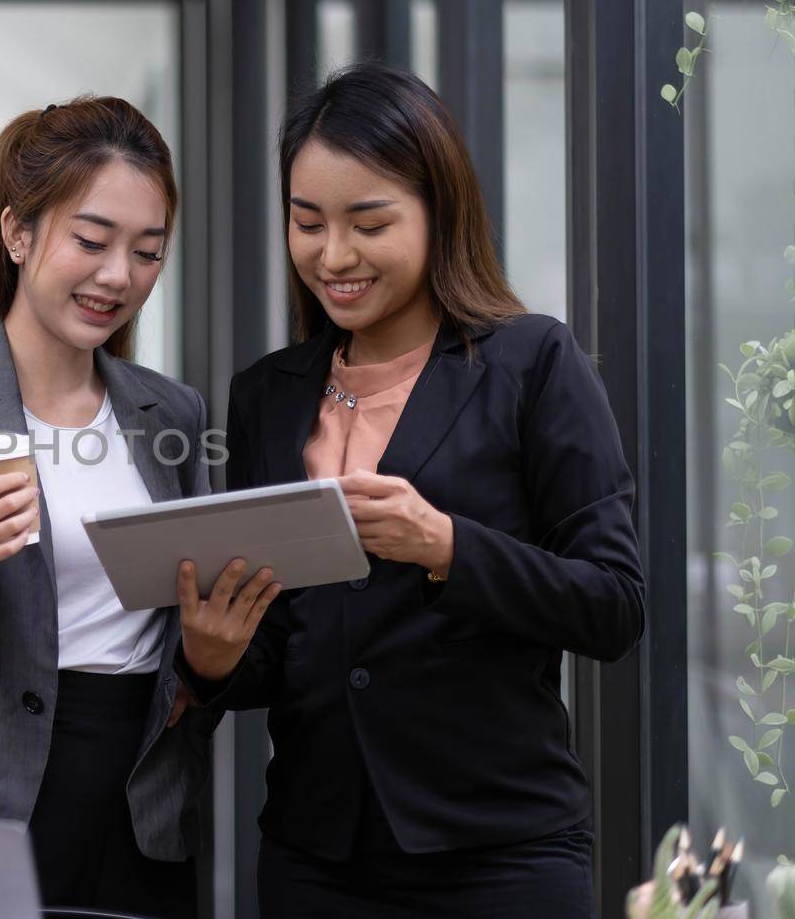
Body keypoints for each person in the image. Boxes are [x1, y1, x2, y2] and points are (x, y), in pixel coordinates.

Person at [176, 62, 645, 917]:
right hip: (316, 856)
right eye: (306, 221)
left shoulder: (532, 363)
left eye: (369, 222)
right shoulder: (267, 395)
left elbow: (614, 603)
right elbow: (285, 645)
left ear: (439, 210)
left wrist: (446, 545)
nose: (334, 255)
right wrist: (212, 659)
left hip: (500, 853)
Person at [0, 96, 265, 919]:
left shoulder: (171, 413)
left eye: (148, 251)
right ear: (17, 233)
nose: (120, 275)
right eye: (91, 240)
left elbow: (192, 644)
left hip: (141, 815)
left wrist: (207, 664)